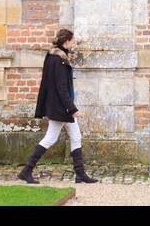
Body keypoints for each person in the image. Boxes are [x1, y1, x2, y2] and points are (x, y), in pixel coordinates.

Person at [17, 28, 98, 184]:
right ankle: (26, 171)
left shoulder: (53, 56)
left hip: (60, 107)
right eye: (72, 41)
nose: (73, 43)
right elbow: (61, 87)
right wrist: (72, 108)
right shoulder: (59, 60)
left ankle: (80, 174)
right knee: (50, 138)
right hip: (61, 108)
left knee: (75, 137)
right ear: (66, 41)